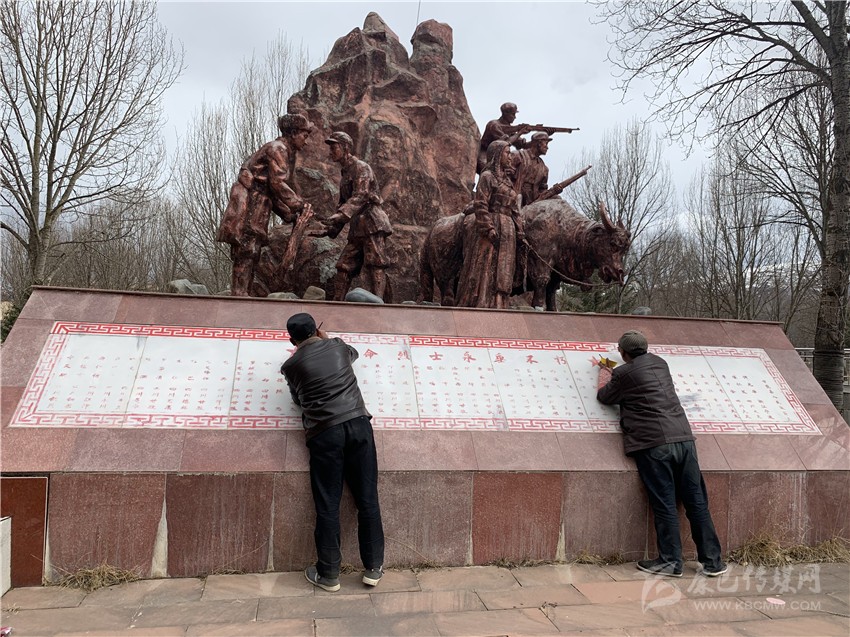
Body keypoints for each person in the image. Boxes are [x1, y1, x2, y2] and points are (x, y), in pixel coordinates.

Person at [596, 330, 727, 578]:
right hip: (684, 438)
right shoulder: (661, 363)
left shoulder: (623, 373)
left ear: (623, 352)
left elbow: (605, 396)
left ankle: (670, 562)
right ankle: (713, 562)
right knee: (696, 501)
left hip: (654, 443)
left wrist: (604, 373)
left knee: (665, 502)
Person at [280, 312, 385, 592]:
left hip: (325, 433)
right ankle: (373, 567)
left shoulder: (290, 367)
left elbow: (298, 400)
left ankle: (328, 574)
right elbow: (353, 354)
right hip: (358, 424)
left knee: (328, 503)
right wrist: (327, 340)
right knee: (368, 499)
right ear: (317, 330)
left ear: (291, 341)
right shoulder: (338, 346)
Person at [217, 113, 314, 296]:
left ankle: (243, 294)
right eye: (304, 135)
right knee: (246, 249)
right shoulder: (278, 149)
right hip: (251, 204)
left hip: (259, 205)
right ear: (293, 133)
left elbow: (271, 190)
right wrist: (299, 204)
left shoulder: (279, 150)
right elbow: (277, 184)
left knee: (252, 250)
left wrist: (288, 214)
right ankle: (239, 296)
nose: (306, 142)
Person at [314, 132, 394, 301]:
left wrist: (340, 215)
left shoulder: (361, 167)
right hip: (358, 227)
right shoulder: (345, 174)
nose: (330, 152)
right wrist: (330, 229)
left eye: (334, 148)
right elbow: (343, 204)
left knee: (376, 263)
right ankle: (338, 302)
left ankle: (379, 303)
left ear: (346, 148)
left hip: (372, 223)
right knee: (344, 265)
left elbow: (361, 195)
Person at [456, 140, 523, 309]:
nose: (510, 157)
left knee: (504, 269)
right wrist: (488, 228)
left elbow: (515, 209)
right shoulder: (487, 177)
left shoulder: (508, 181)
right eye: (507, 153)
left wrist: (520, 230)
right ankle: (481, 302)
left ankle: (500, 304)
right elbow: (480, 204)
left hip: (508, 229)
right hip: (491, 227)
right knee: (484, 267)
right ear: (497, 155)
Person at [476, 102, 530, 174]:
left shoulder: (510, 128)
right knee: (490, 171)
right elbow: (505, 143)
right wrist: (520, 132)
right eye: (513, 114)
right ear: (505, 113)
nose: (515, 117)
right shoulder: (494, 125)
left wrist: (536, 141)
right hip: (484, 155)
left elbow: (522, 144)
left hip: (499, 157)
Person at [511, 132, 551, 206]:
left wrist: (551, 192)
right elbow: (505, 176)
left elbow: (542, 189)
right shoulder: (518, 156)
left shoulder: (544, 168)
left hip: (533, 201)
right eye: (546, 143)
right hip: (515, 197)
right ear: (539, 143)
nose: (547, 147)